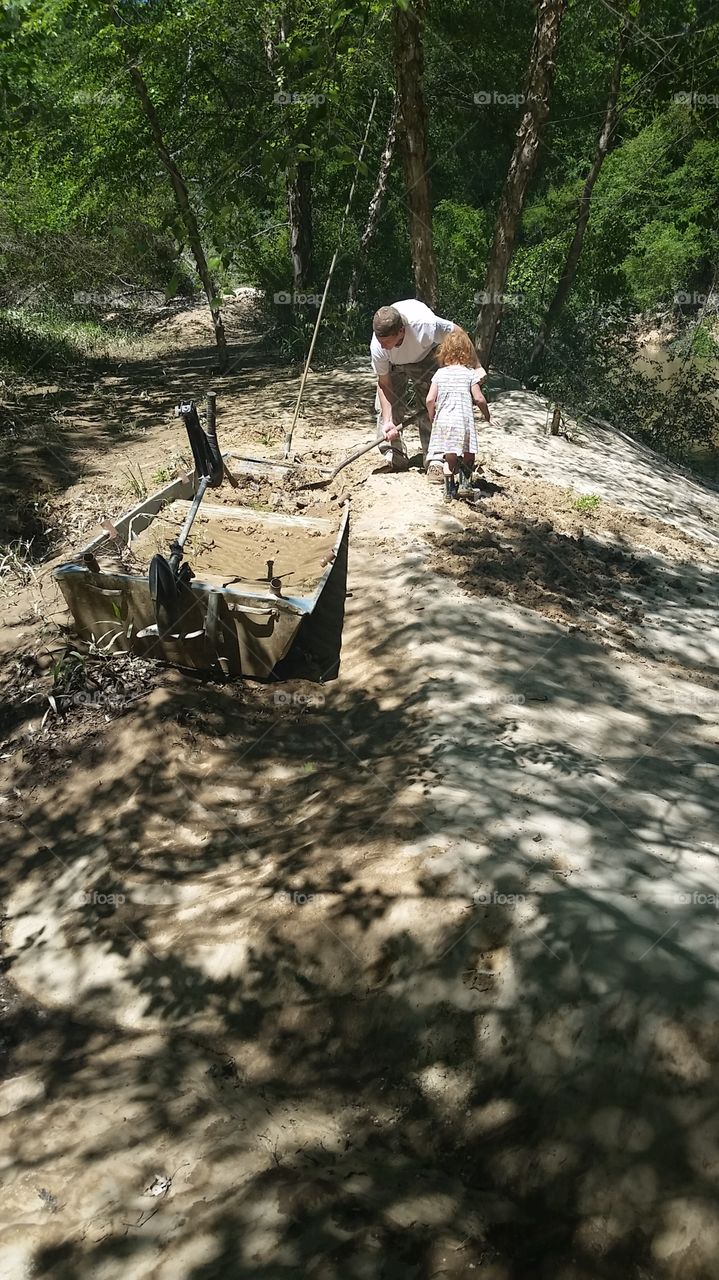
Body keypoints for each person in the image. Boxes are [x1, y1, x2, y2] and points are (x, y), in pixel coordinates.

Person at [371, 300, 460, 471]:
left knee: (431, 406)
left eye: (386, 342)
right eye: (380, 341)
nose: (382, 346)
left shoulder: (425, 325)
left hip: (425, 357)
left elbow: (458, 334)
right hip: (393, 364)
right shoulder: (378, 346)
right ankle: (394, 455)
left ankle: (435, 458)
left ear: (401, 331)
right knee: (387, 411)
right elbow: (384, 384)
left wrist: (475, 367)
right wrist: (388, 421)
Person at [425, 329, 490, 497]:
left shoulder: (439, 373)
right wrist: (487, 415)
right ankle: (465, 485)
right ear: (467, 352)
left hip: (444, 421)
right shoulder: (469, 374)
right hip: (463, 421)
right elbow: (479, 399)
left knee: (449, 458)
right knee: (468, 453)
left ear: (444, 351)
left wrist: (432, 415)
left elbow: (430, 399)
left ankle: (449, 491)